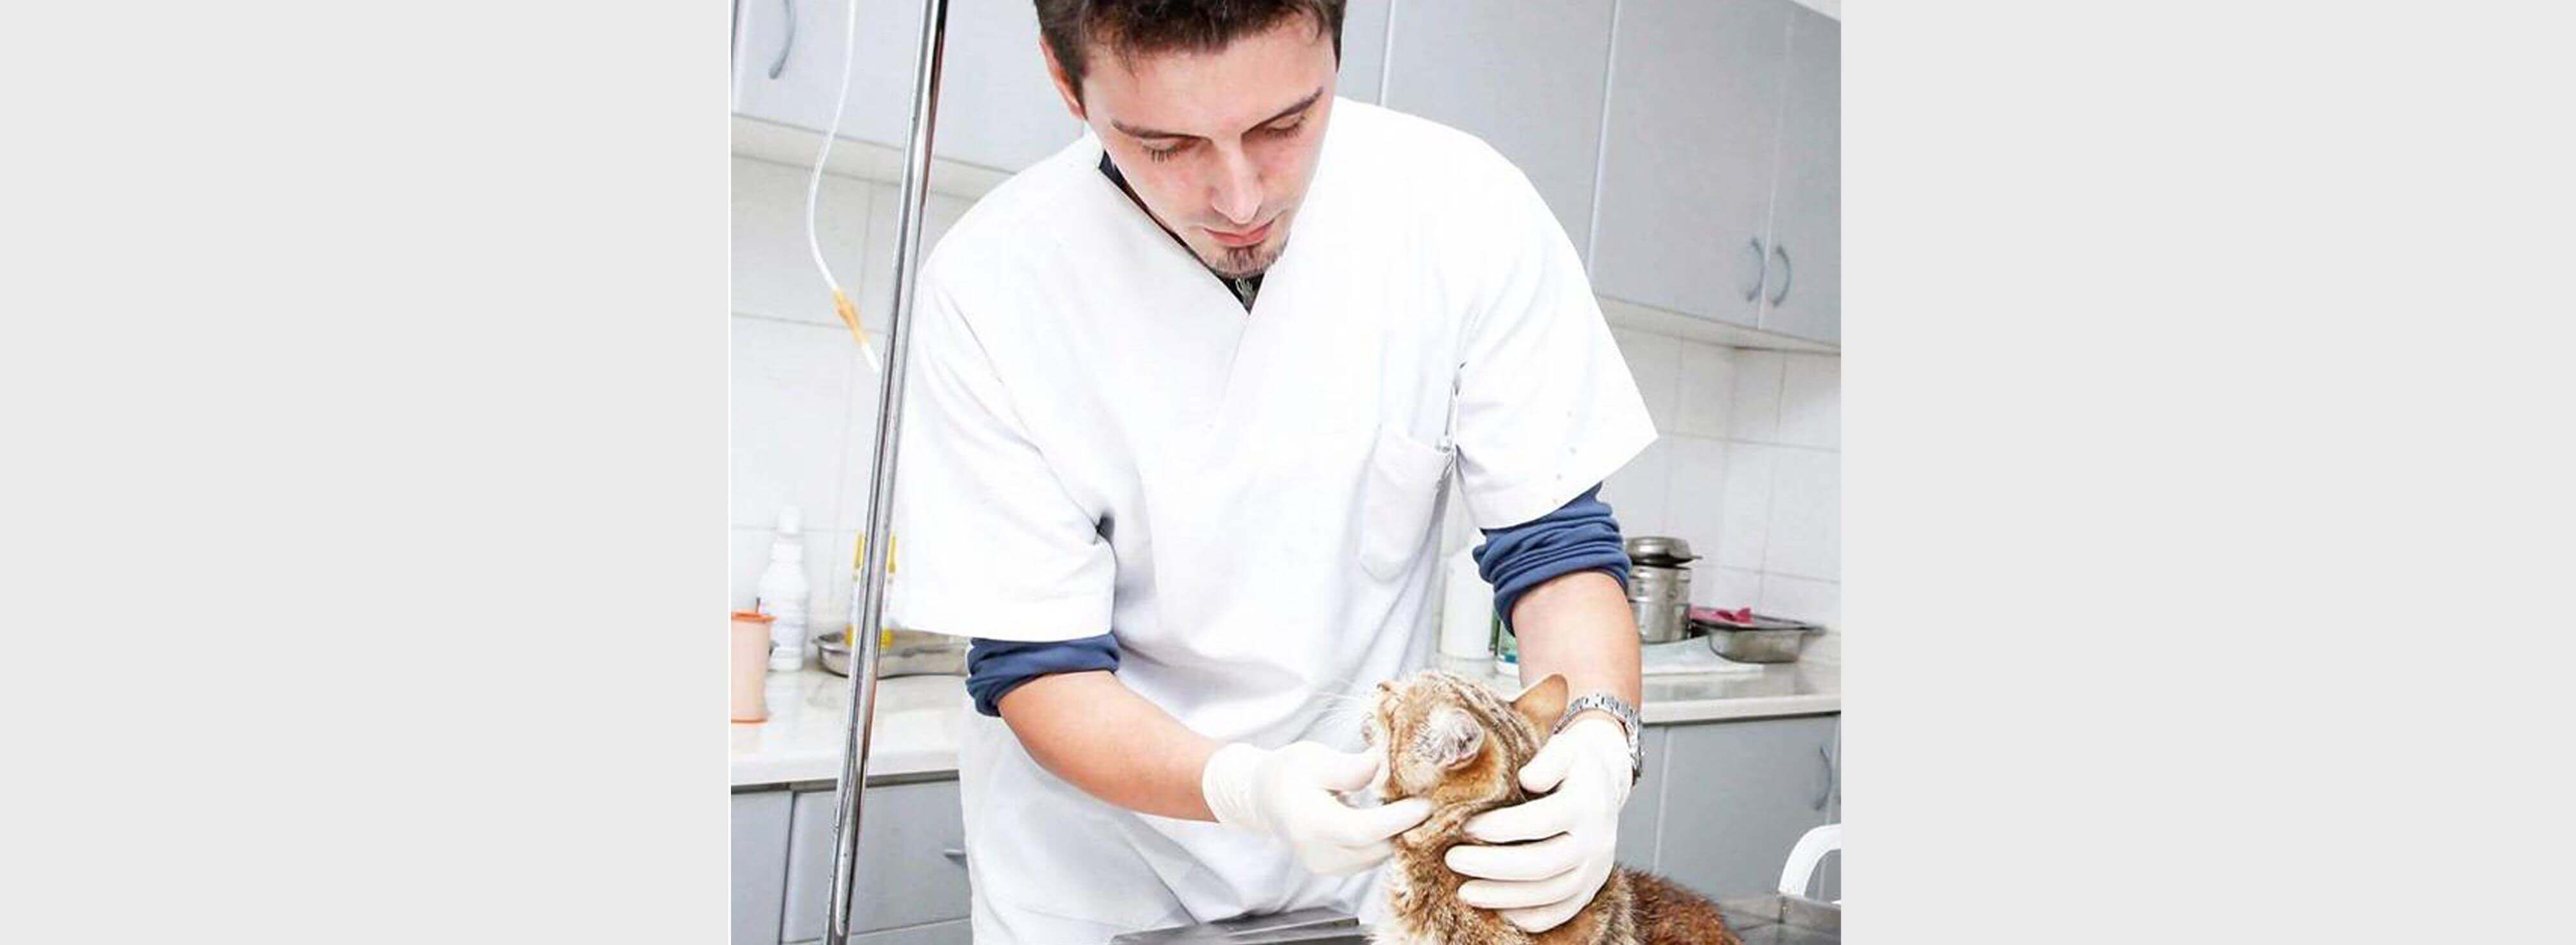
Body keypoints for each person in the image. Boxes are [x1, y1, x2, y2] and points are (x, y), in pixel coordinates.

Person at [886, 1, 1655, 940]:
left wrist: (1600, 737)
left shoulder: (1462, 211)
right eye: (1167, 146)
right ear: (1064, 79)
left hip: (1372, 873)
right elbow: (1037, 667)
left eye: (1286, 125)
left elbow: (1556, 544)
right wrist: (1249, 789)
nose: (1241, 199)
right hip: (1095, 878)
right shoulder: (992, 285)